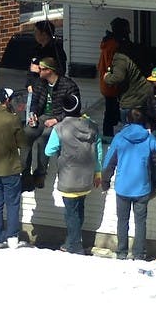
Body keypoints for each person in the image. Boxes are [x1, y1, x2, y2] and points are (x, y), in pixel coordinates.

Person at [102, 109, 156, 261]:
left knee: (122, 221)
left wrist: (105, 181)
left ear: (127, 121)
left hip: (123, 186)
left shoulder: (119, 137)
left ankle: (121, 252)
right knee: (140, 222)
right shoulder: (149, 138)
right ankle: (139, 253)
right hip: (142, 186)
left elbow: (109, 162)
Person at [44, 99, 104, 255]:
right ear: (80, 108)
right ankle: (71, 242)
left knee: (71, 214)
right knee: (79, 210)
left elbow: (49, 151)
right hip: (86, 178)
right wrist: (98, 173)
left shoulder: (60, 128)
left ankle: (75, 246)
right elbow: (98, 151)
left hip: (68, 177)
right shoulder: (92, 126)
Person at [23, 56, 81, 187]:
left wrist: (56, 119)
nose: (39, 71)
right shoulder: (40, 83)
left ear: (49, 70)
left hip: (61, 119)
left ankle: (40, 174)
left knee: (44, 138)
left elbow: (74, 108)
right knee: (25, 135)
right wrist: (33, 114)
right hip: (43, 116)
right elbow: (34, 102)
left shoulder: (68, 85)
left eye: (42, 69)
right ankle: (25, 174)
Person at [0, 87, 28, 249]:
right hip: (10, 168)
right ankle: (12, 237)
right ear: (6, 101)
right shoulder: (13, 119)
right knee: (13, 203)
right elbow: (22, 143)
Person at [25, 20, 67, 123]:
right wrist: (29, 83)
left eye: (36, 32)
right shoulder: (37, 49)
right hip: (34, 87)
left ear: (44, 34)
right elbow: (31, 68)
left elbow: (60, 70)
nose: (35, 35)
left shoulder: (55, 50)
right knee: (31, 117)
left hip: (47, 90)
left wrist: (39, 70)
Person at [98, 18, 130, 137]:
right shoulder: (114, 46)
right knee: (113, 114)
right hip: (112, 86)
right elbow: (114, 67)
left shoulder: (109, 43)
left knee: (111, 112)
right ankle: (109, 137)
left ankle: (109, 135)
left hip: (108, 85)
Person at [103, 38, 149, 121]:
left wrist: (107, 77)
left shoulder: (120, 57)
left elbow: (118, 77)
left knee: (129, 129)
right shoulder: (137, 52)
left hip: (131, 100)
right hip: (144, 96)